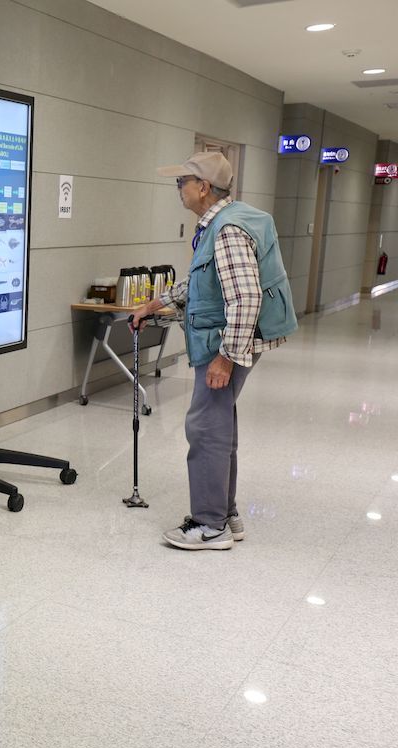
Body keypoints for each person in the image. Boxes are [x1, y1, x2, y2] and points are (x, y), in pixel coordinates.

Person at [129, 151, 298, 551]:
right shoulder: (223, 221)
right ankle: (226, 514)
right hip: (227, 340)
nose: (178, 190)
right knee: (219, 424)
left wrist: (226, 357)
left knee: (205, 428)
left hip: (225, 344)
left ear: (203, 188)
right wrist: (155, 304)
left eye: (182, 182)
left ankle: (210, 526)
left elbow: (245, 298)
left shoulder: (227, 230)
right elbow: (200, 280)